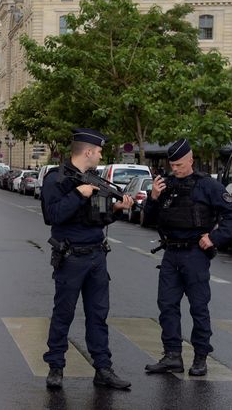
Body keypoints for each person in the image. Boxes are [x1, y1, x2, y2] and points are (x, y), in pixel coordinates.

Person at [40, 128, 134, 390]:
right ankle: (56, 367)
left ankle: (103, 369)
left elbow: (100, 218)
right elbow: (53, 215)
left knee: (98, 315)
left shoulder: (95, 179)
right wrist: (78, 194)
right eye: (100, 151)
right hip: (71, 257)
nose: (102, 154)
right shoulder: (55, 179)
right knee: (63, 314)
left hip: (96, 256)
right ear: (89, 151)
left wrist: (116, 209)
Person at [142, 138, 232, 377]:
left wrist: (214, 238)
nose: (175, 169)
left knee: (198, 307)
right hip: (170, 254)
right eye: (172, 165)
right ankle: (172, 356)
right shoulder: (164, 185)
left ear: (190, 159)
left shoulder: (208, 185)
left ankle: (200, 357)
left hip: (194, 255)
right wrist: (153, 198)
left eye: (179, 164)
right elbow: (148, 219)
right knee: (167, 305)